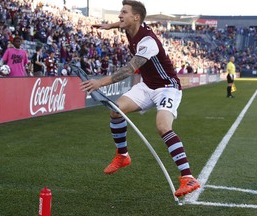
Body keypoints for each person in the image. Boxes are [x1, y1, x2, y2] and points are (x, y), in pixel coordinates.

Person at [80, 0, 200, 198]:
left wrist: (100, 83)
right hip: (147, 86)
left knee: (163, 127)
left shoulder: (148, 42)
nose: (119, 16)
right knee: (115, 110)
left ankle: (188, 177)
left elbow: (129, 69)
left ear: (136, 17)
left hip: (167, 88)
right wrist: (108, 26)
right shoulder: (131, 27)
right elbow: (120, 24)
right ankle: (123, 155)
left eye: (123, 12)